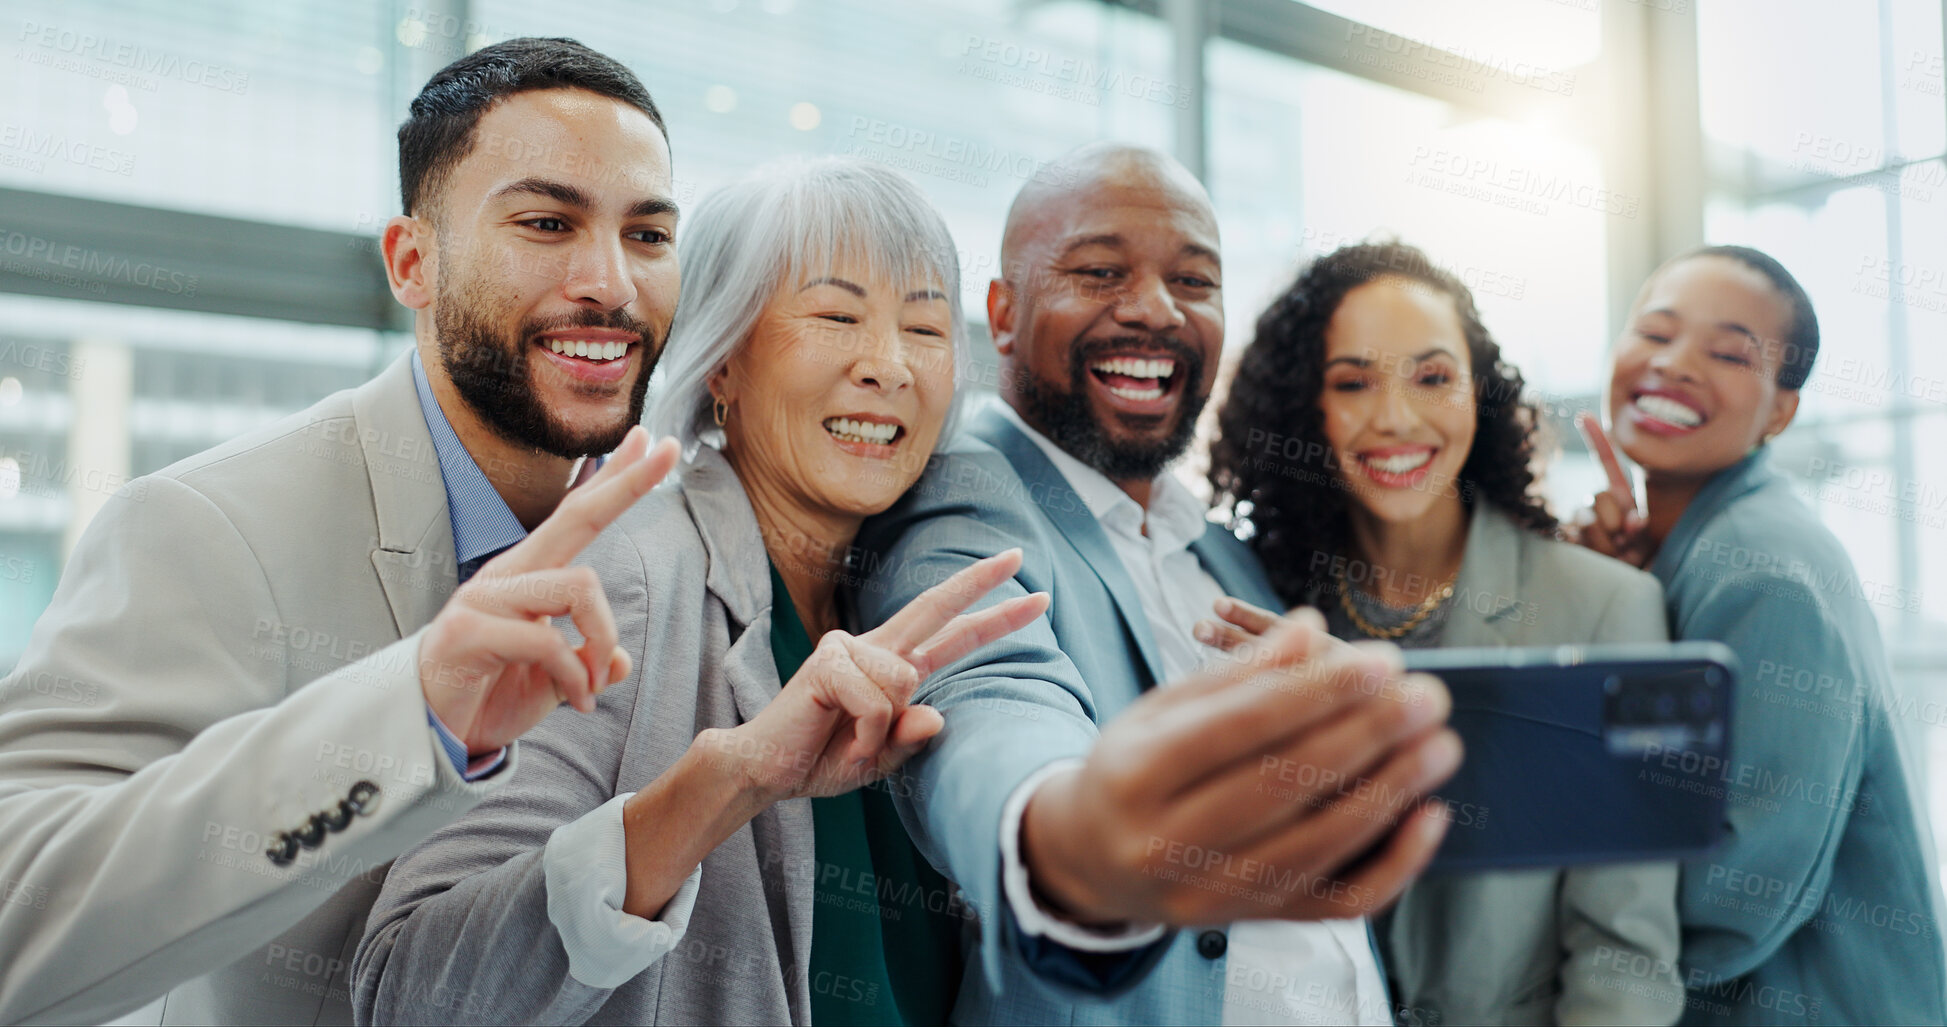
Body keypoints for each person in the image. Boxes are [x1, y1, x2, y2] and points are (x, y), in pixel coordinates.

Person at [0, 37, 686, 1026]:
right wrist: (413, 711)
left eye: (649, 235)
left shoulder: (665, 542)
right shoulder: (205, 527)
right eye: (546, 222)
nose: (611, 283)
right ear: (412, 262)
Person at [353, 157, 1048, 1026]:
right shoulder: (623, 577)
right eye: (836, 315)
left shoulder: (900, 583)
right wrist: (729, 779)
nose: (887, 365)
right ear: (722, 361)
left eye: (925, 328)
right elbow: (411, 989)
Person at [852, 144, 1462, 1025]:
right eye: (1099, 271)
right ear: (1004, 313)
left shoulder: (1223, 552)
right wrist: (1069, 847)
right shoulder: (962, 495)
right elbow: (991, 704)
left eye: (1195, 279)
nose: (1153, 308)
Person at [1202, 240, 1683, 1025]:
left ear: (1478, 393)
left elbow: (1622, 951)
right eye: (1352, 381)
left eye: (1431, 377)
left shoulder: (1604, 608)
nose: (1395, 417)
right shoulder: (1266, 602)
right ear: (1304, 407)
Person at [1573, 245, 1946, 1023]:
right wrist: (1622, 591)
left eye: (1727, 352)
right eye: (1654, 332)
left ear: (1780, 410)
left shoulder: (1762, 572)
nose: (1673, 364)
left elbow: (1731, 900)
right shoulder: (1703, 547)